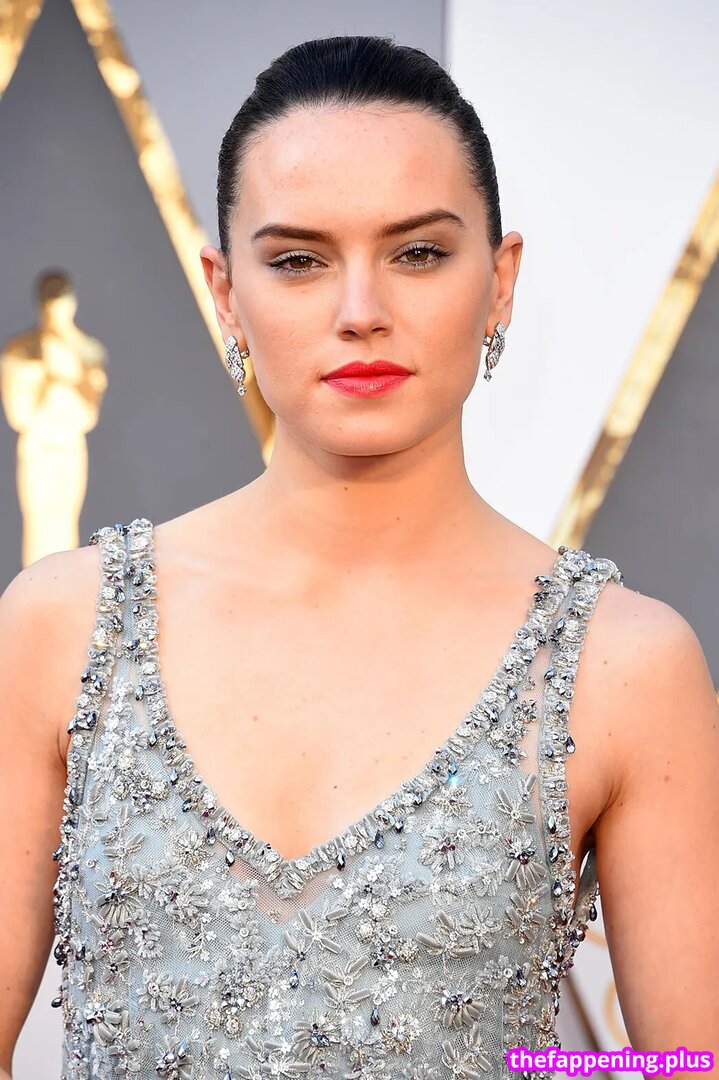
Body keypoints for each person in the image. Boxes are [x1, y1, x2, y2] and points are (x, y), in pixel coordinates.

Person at [1, 34, 717, 1080]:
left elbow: (685, 1067)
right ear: (224, 292)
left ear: (499, 281)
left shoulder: (627, 666)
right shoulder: (62, 627)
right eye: (297, 260)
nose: (360, 313)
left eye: (417, 253)